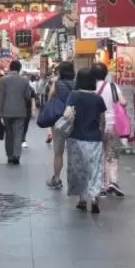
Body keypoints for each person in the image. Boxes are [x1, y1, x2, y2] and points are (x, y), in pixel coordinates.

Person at [65, 68, 107, 213]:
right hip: (94, 138)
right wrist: (102, 134)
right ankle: (94, 198)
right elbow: (102, 120)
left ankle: (82, 199)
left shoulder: (74, 95)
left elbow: (67, 114)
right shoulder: (98, 98)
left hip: (75, 137)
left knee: (78, 169)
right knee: (95, 169)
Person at [91, 62, 128, 198]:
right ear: (105, 74)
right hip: (113, 125)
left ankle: (101, 185)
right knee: (112, 155)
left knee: (98, 155)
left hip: (96, 125)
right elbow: (123, 102)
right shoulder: (113, 86)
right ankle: (113, 182)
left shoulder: (91, 88)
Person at [0, 59, 34, 164]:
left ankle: (10, 156)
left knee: (9, 134)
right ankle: (17, 155)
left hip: (6, 111)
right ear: (20, 69)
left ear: (10, 68)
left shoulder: (3, 80)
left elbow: (1, 97)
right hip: (20, 111)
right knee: (18, 133)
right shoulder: (25, 80)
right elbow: (27, 96)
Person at [45, 61, 76, 189]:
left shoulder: (57, 83)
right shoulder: (77, 83)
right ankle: (75, 181)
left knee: (58, 152)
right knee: (74, 151)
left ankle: (57, 179)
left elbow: (50, 96)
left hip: (59, 119)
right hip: (74, 118)